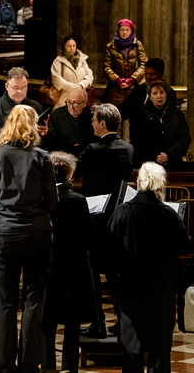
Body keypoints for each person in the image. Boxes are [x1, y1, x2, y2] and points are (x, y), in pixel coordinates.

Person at [0, 104, 58, 373]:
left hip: (7, 232)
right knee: (34, 299)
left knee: (6, 301)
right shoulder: (41, 157)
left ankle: (3, 364)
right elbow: (52, 201)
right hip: (37, 232)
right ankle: (29, 364)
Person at [108, 162, 191, 373]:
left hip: (130, 285)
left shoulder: (122, 212)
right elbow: (184, 246)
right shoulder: (168, 214)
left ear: (138, 183)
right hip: (161, 286)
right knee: (160, 345)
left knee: (132, 344)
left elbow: (109, 250)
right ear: (161, 185)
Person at [75, 102, 134, 339]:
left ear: (102, 123)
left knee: (92, 272)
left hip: (95, 219)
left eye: (93, 120)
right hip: (118, 218)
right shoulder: (128, 149)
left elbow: (72, 172)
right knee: (116, 273)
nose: (91, 124)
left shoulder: (93, 149)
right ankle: (122, 322)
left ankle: (98, 322)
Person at [43, 151, 95, 373]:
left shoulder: (43, 198)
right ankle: (69, 366)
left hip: (49, 264)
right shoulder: (78, 200)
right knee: (72, 322)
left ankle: (47, 364)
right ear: (70, 174)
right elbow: (88, 235)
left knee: (48, 320)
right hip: (74, 265)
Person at [129, 81, 191, 168]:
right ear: (150, 97)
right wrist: (158, 159)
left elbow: (184, 139)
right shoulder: (140, 116)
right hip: (149, 165)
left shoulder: (177, 115)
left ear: (166, 94)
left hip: (173, 163)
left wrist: (168, 156)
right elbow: (137, 143)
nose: (159, 96)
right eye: (155, 93)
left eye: (162, 92)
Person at [0, 67, 45, 141]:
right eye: (16, 88)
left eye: (23, 87)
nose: (19, 91)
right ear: (7, 86)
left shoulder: (36, 107)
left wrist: (45, 133)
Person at [103, 19, 148, 108]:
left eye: (127, 30)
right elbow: (106, 66)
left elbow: (144, 64)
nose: (124, 32)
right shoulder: (111, 46)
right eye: (122, 30)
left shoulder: (137, 45)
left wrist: (133, 79)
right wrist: (117, 79)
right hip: (115, 90)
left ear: (131, 31)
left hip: (133, 88)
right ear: (118, 30)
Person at [42, 85, 97, 156]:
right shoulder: (57, 114)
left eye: (75, 103)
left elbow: (95, 140)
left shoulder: (91, 117)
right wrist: (46, 134)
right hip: (61, 156)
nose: (71, 106)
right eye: (69, 102)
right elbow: (51, 141)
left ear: (84, 104)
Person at [49, 35, 94, 107]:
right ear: (64, 47)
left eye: (74, 46)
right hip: (64, 100)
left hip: (81, 100)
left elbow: (89, 75)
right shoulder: (59, 61)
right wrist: (73, 87)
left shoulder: (82, 59)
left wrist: (81, 85)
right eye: (69, 46)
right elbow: (56, 79)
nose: (72, 48)